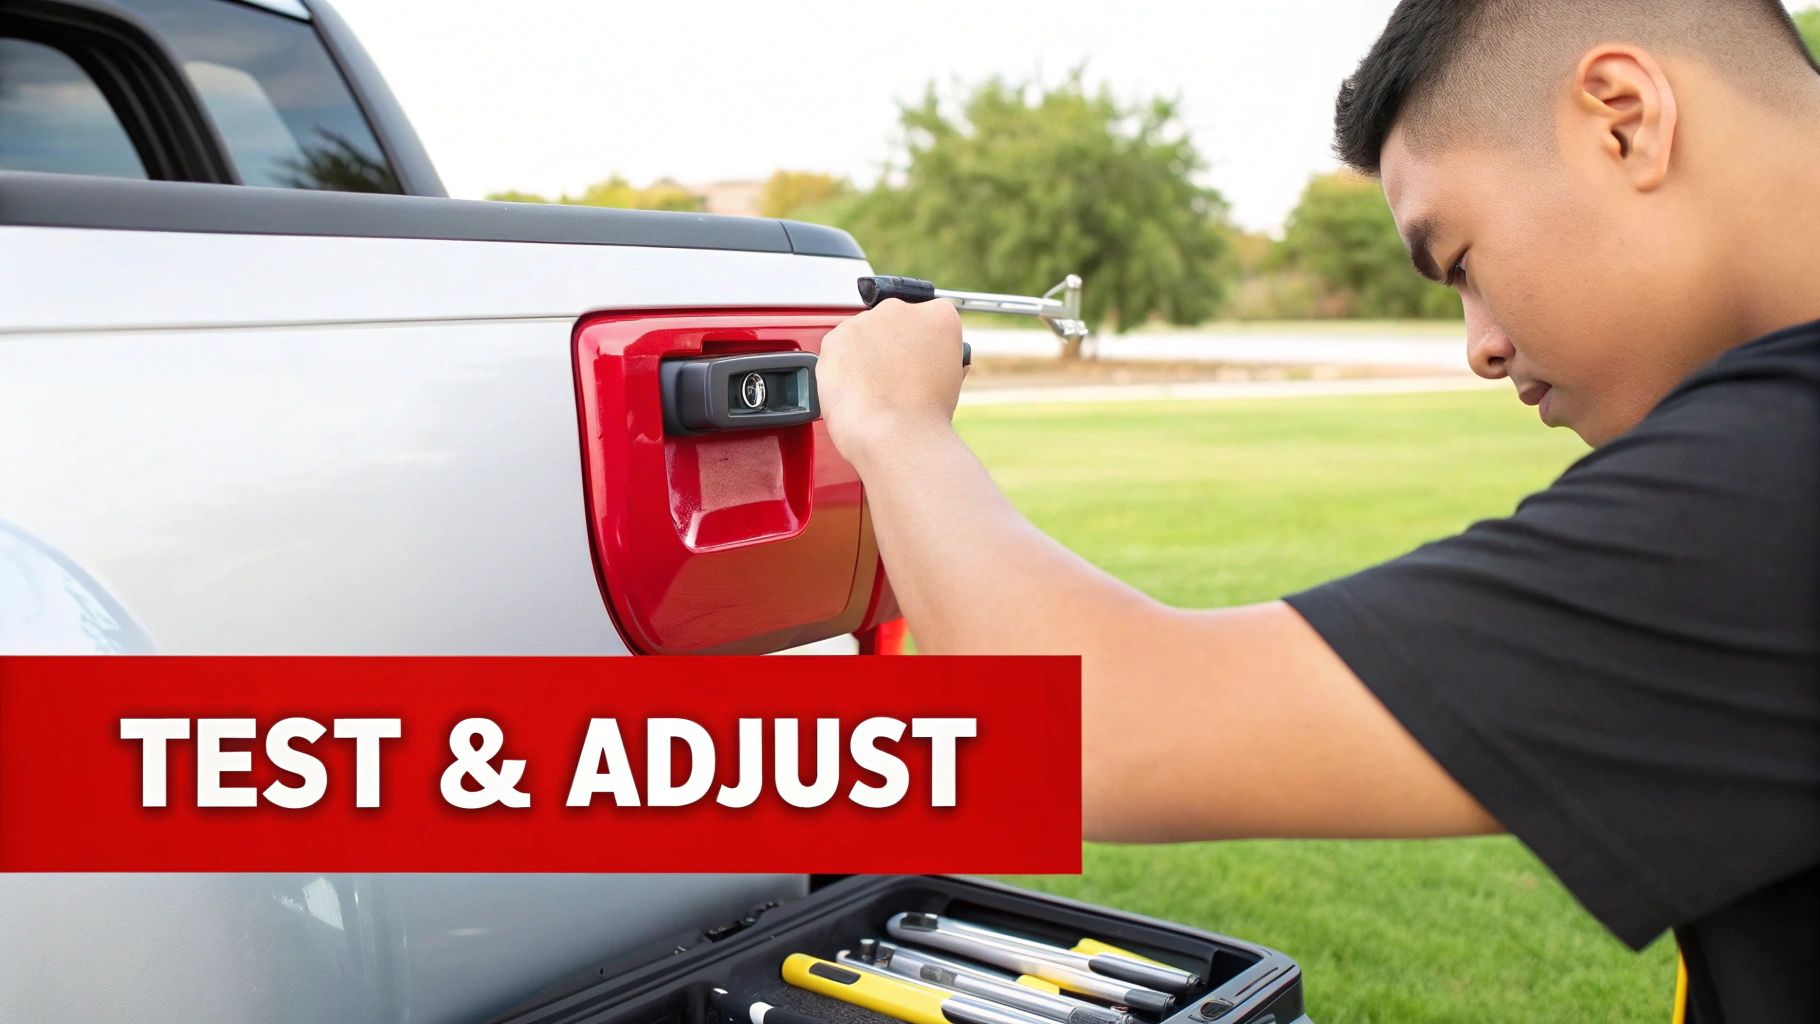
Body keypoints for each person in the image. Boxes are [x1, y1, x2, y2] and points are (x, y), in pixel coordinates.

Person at [815, 1, 1820, 1020]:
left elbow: (1085, 732)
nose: (1479, 346)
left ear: (1620, 119)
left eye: (1459, 261)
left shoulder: (1777, 476)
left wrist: (895, 421)